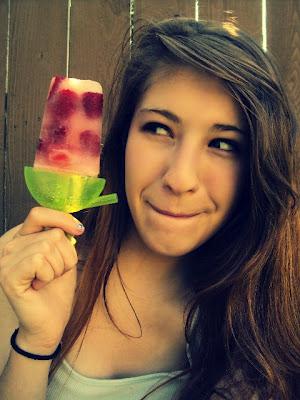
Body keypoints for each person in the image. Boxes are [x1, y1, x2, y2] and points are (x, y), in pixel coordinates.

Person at [0, 17, 299, 400]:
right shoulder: (25, 270)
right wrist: (34, 343)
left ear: (256, 165)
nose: (180, 178)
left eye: (223, 144)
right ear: (123, 137)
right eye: (159, 129)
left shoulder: (268, 323)